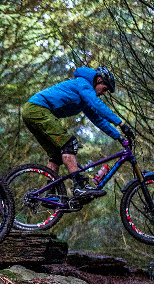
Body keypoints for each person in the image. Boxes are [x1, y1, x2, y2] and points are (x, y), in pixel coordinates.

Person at [22, 66, 133, 198]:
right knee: (69, 143)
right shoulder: (83, 84)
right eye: (105, 89)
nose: (104, 93)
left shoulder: (84, 96)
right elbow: (97, 104)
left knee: (57, 154)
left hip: (32, 111)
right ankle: (79, 187)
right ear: (98, 80)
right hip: (37, 109)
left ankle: (49, 193)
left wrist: (119, 137)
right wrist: (121, 123)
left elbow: (98, 120)